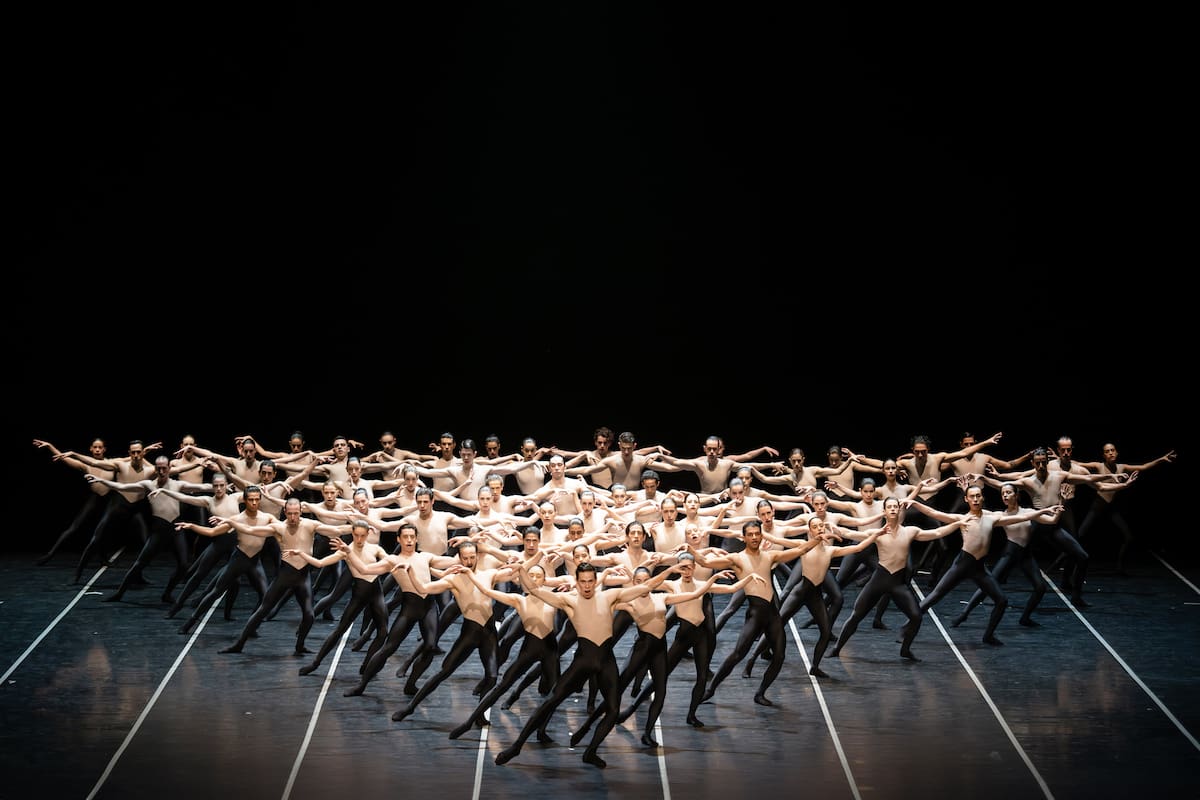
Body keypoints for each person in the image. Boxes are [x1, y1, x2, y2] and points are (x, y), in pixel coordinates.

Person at [492, 560, 664, 769]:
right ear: (577, 581)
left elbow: (645, 587)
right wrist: (520, 570)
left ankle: (590, 751)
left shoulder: (609, 596)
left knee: (612, 710)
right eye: (583, 582)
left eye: (591, 581)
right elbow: (536, 591)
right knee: (551, 701)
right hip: (583, 660)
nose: (587, 586)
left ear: (596, 581)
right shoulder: (569, 600)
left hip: (606, 660)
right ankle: (516, 746)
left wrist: (671, 570)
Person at [570, 562, 762, 748]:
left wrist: (714, 578)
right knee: (618, 688)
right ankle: (587, 726)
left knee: (661, 692)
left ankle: (647, 733)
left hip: (660, 649)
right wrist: (591, 586)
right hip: (642, 647)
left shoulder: (662, 597)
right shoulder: (629, 602)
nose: (644, 583)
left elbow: (695, 593)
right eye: (639, 580)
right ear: (635, 583)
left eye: (647, 580)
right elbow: (600, 599)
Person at [905, 481, 1065, 645]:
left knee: (1001, 601)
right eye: (972, 497)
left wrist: (1044, 511)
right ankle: (907, 626)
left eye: (978, 496)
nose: (975, 499)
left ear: (982, 498)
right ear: (966, 499)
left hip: (979, 567)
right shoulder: (962, 518)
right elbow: (935, 513)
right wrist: (915, 503)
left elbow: (1022, 516)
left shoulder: (993, 518)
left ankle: (988, 636)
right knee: (935, 596)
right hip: (963, 564)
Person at [688, 518, 822, 706]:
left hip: (772, 614)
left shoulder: (770, 556)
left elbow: (800, 550)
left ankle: (760, 693)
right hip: (756, 614)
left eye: (757, 534)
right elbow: (705, 562)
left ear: (761, 536)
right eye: (750, 534)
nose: (754, 537)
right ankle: (710, 690)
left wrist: (818, 539)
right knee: (737, 654)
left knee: (780, 656)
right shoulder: (737, 559)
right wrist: (690, 549)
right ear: (743, 537)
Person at [826, 496, 969, 661]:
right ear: (884, 511)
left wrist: (957, 524)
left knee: (916, 616)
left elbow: (936, 532)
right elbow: (850, 533)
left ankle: (905, 650)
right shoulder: (878, 533)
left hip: (897, 583)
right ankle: (837, 648)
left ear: (900, 510)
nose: (893, 509)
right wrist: (833, 528)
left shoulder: (910, 531)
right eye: (890, 507)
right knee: (856, 615)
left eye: (896, 506)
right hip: (879, 580)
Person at [747, 516, 883, 677]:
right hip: (800, 592)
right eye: (815, 526)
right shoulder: (802, 545)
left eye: (821, 526)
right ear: (810, 530)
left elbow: (858, 548)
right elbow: (777, 539)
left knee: (826, 632)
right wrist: (758, 532)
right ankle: (752, 660)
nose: (819, 528)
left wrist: (877, 534)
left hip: (815, 595)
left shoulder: (830, 551)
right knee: (777, 625)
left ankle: (815, 666)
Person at [210, 497, 349, 655]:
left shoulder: (311, 525)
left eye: (296, 514)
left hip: (303, 577)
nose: (292, 517)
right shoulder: (278, 527)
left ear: (301, 512)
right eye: (289, 514)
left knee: (309, 615)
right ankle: (239, 644)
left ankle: (299, 645)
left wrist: (361, 525)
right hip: (285, 575)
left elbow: (338, 531)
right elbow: (250, 530)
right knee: (262, 610)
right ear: (285, 512)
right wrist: (229, 521)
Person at [389, 540, 508, 721]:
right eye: (465, 558)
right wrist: (411, 572)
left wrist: (522, 564)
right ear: (458, 558)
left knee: (492, 677)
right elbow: (423, 588)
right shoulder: (453, 579)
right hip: (470, 633)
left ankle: (479, 715)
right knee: (444, 672)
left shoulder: (488, 574)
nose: (469, 562)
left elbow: (516, 569)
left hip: (489, 633)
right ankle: (410, 708)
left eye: (472, 557)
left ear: (478, 556)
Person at [340, 522, 461, 697]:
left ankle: (410, 684)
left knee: (430, 646)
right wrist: (349, 552)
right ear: (399, 539)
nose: (409, 540)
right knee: (388, 648)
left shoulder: (425, 557)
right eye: (405, 537)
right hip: (409, 608)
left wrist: (470, 540)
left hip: (428, 607)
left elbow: (455, 560)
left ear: (417, 538)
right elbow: (364, 569)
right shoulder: (393, 560)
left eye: (412, 537)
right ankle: (362, 685)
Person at [448, 557, 561, 740]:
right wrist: (469, 573)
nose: (533, 579)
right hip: (529, 649)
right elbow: (486, 590)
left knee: (556, 692)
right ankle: (469, 722)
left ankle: (541, 730)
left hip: (550, 650)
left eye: (538, 576)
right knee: (502, 685)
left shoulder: (553, 597)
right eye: (530, 575)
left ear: (544, 579)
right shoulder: (518, 600)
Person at [88, 455, 202, 604]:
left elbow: (201, 487)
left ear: (169, 469)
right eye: (158, 468)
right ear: (155, 469)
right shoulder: (149, 484)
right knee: (139, 564)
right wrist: (102, 481)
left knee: (184, 565)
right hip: (158, 531)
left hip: (175, 529)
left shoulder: (177, 485)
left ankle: (167, 594)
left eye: (164, 468)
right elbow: (122, 487)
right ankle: (119, 593)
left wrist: (220, 486)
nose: (161, 471)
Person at [951, 483, 1066, 628]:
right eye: (1003, 493)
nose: (1005, 495)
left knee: (1041, 587)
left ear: (1016, 495)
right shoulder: (1000, 515)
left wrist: (1062, 501)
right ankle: (964, 614)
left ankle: (1025, 618)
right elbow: (976, 509)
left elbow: (1052, 520)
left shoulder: (1028, 512)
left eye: (1008, 492)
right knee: (988, 585)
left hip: (1025, 554)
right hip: (1010, 553)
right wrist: (966, 492)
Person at [287, 519, 391, 675]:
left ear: (368, 534)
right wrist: (301, 553)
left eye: (363, 536)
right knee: (339, 631)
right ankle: (315, 664)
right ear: (352, 534)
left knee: (383, 632)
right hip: (359, 595)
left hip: (376, 593)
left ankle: (367, 665)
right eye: (356, 535)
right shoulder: (345, 551)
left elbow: (388, 560)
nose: (359, 539)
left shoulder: (375, 548)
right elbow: (320, 563)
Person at [172, 485, 276, 634]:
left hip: (255, 562)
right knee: (215, 592)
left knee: (266, 597)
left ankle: (252, 626)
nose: (254, 503)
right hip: (239, 559)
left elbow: (283, 527)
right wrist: (192, 526)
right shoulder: (236, 519)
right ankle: (190, 622)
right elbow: (212, 532)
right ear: (245, 501)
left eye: (257, 500)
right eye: (251, 500)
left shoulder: (267, 518)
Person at [1074, 443, 1176, 573]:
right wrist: (1059, 459)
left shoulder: (1122, 467)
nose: (1110, 453)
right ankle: (1062, 563)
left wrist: (1161, 459)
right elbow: (1077, 463)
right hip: (1098, 505)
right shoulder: (1098, 466)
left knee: (1129, 537)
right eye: (1107, 451)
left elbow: (1143, 467)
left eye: (1112, 450)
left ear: (1117, 453)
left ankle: (1119, 566)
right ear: (1104, 455)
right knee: (1079, 536)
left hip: (1111, 507)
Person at [31, 437, 116, 565]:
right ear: (91, 449)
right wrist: (50, 446)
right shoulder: (85, 464)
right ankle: (50, 554)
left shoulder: (112, 463)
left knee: (103, 529)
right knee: (74, 527)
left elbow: (133, 458)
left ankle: (103, 558)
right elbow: (65, 459)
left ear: (104, 449)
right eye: (95, 447)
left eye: (100, 447)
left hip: (109, 499)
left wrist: (145, 451)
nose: (97, 450)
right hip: (95, 498)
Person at [648, 435, 780, 495]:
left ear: (719, 449)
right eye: (709, 449)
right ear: (705, 449)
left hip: (724, 497)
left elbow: (748, 462)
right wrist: (659, 457)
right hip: (705, 498)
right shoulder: (699, 463)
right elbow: (676, 463)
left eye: (715, 449)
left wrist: (771, 464)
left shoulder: (727, 462)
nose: (712, 452)